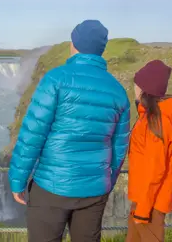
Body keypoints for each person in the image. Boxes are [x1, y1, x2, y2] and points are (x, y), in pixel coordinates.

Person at [8, 20, 131, 242]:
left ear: (74, 44)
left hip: (51, 187)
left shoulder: (56, 79)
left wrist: (18, 179)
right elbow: (119, 147)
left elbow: (32, 135)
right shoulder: (118, 91)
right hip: (94, 191)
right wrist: (105, 181)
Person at [126, 60, 172, 242]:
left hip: (150, 204)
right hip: (146, 199)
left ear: (145, 89)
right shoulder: (154, 118)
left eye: (137, 84)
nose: (134, 88)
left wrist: (143, 211)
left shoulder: (155, 123)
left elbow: (155, 171)